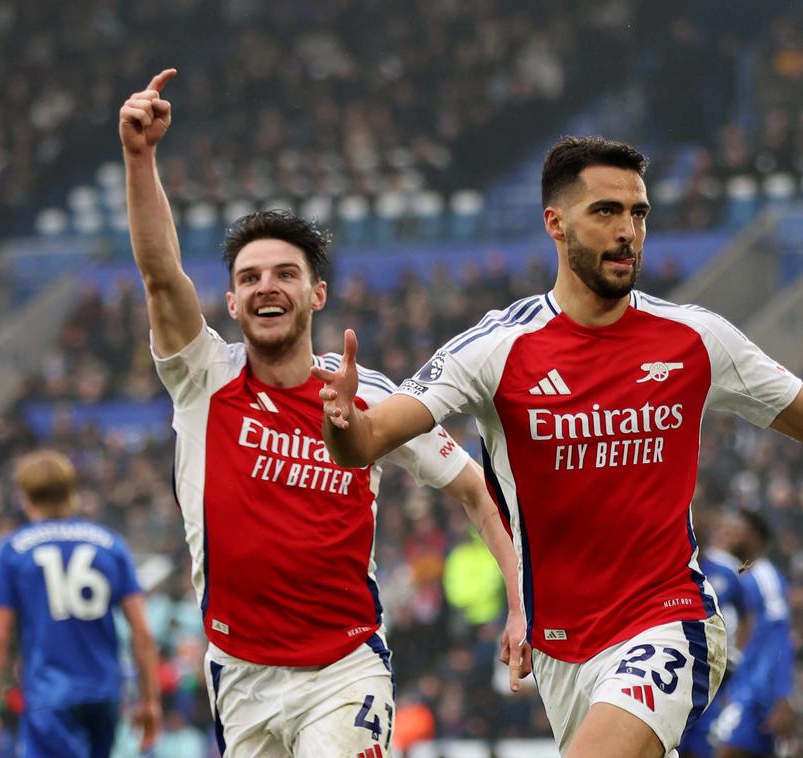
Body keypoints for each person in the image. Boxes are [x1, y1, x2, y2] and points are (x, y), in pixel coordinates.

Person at [314, 135, 803, 758]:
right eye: (605, 211)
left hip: (670, 623)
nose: (628, 229)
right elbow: (372, 439)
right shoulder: (497, 349)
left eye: (638, 212)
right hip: (563, 649)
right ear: (555, 224)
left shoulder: (694, 338)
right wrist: (345, 425)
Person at [118, 69, 528, 757]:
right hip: (236, 673)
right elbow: (161, 276)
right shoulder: (203, 379)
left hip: (343, 670)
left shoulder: (368, 397)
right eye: (248, 278)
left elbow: (473, 489)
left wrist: (521, 602)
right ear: (230, 303)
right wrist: (140, 157)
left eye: (284, 274)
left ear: (316, 294)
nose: (265, 287)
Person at [0, 449, 161, 758]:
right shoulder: (110, 544)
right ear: (72, 492)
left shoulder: (12, 551)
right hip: (105, 693)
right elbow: (143, 633)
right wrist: (150, 701)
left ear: (25, 497)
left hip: (51, 694)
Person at [712, 509, 796, 758]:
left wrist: (781, 696)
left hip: (754, 694)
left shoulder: (765, 577)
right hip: (734, 688)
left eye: (733, 529)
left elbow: (779, 638)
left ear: (753, 537)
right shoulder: (735, 573)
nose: (725, 533)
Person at [680, 510, 747, 758]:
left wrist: (737, 651)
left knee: (704, 743)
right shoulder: (670, 570)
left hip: (714, 672)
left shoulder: (727, 571)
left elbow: (748, 612)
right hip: (677, 666)